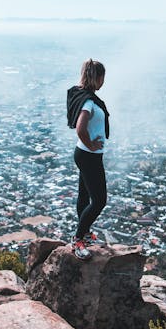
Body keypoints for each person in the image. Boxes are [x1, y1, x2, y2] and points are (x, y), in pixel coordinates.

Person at [67, 59, 110, 260]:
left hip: (85, 154)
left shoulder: (85, 96)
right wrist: (91, 144)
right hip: (88, 155)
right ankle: (78, 240)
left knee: (84, 196)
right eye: (102, 77)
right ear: (97, 77)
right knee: (100, 200)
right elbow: (80, 127)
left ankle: (83, 233)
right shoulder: (88, 101)